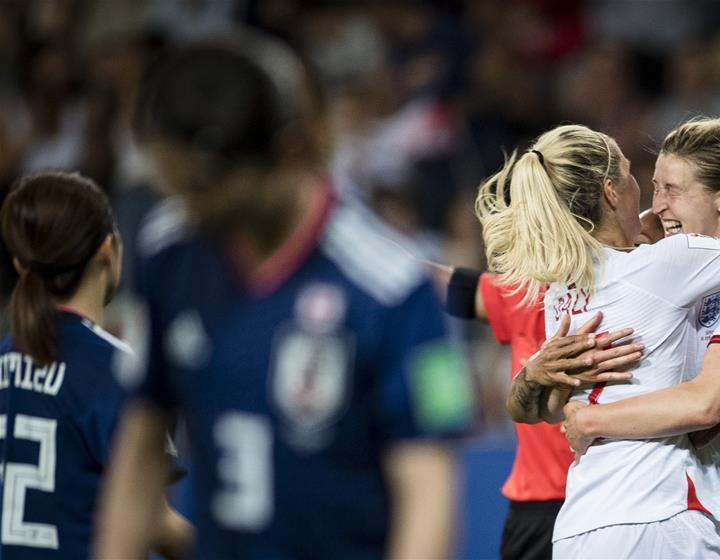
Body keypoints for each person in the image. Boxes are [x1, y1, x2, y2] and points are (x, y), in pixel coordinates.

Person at [96, 32, 474, 560]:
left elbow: (429, 489)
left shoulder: (391, 292)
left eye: (208, 188)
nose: (193, 208)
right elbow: (140, 443)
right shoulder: (172, 254)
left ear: (287, 151)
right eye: (179, 188)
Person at [474, 123, 720, 558]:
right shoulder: (671, 264)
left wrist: (574, 409)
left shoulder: (561, 290)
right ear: (610, 192)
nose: (655, 202)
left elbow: (546, 409)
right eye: (637, 177)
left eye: (671, 190)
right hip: (659, 514)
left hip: (579, 525)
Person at [0, 171, 191, 559]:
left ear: (22, 265)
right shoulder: (115, 368)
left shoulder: (3, 358)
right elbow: (154, 521)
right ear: (108, 248)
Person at [431, 262, 641, 560]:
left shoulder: (648, 286)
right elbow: (436, 285)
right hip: (547, 510)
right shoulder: (527, 293)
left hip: (621, 505)